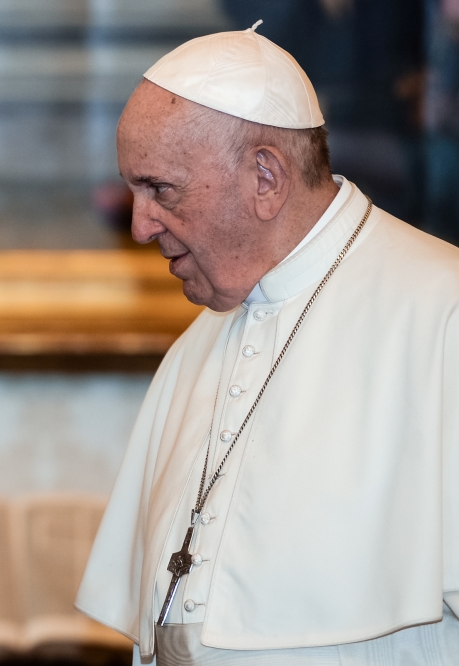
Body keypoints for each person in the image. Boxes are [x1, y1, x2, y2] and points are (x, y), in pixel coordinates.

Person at [75, 23, 459, 666]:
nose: (139, 226)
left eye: (161, 189)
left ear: (265, 176)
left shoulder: (442, 314)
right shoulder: (202, 341)